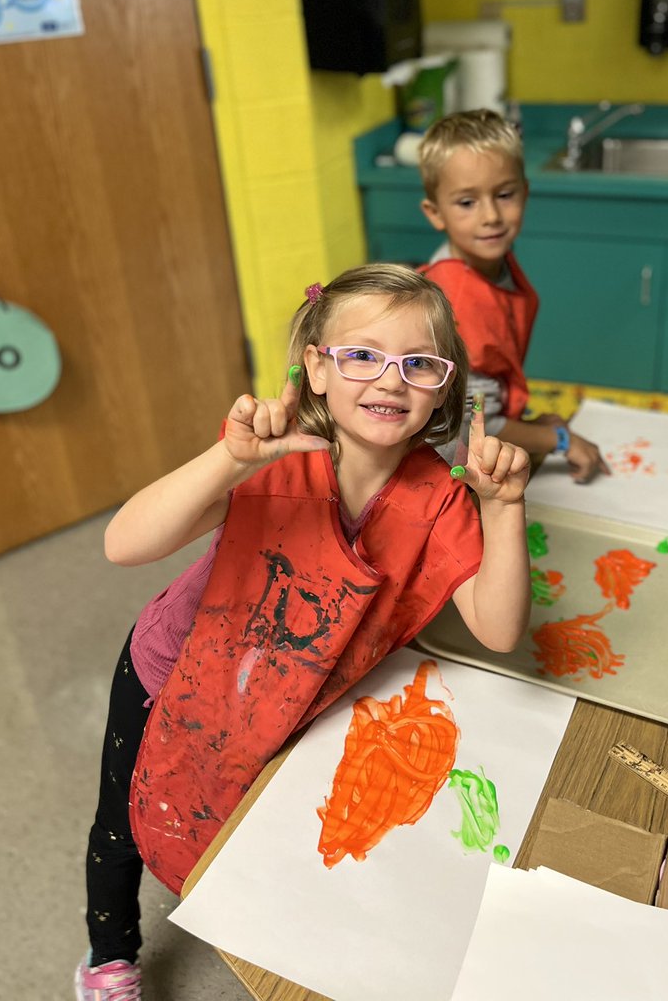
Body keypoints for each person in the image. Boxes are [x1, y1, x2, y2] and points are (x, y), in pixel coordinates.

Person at [76, 264, 531, 1001]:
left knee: (246, 821)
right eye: (362, 355)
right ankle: (109, 957)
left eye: (419, 363)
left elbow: (500, 626)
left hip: (285, 701)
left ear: (445, 388)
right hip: (168, 674)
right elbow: (123, 544)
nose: (390, 380)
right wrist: (229, 459)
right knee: (125, 821)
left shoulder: (441, 501)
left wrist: (504, 505)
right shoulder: (274, 453)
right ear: (317, 368)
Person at [417, 109, 609, 482]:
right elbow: (472, 428)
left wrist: (530, 425)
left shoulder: (490, 261)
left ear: (525, 192)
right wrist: (558, 438)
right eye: (467, 202)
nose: (491, 216)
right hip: (446, 471)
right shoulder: (456, 302)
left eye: (504, 195)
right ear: (435, 212)